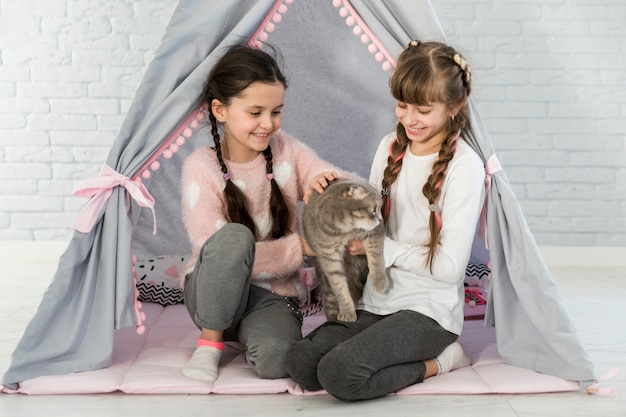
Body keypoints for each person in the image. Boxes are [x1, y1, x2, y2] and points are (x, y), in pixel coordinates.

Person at [285, 40, 486, 401]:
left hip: (428, 311)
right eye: (402, 105)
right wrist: (334, 202)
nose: (409, 119)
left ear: (454, 106)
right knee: (301, 363)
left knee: (340, 374)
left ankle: (442, 360)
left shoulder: (464, 167)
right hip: (379, 301)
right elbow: (371, 224)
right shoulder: (389, 148)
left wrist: (385, 248)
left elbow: (450, 269)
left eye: (423, 110)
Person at [180, 44, 341, 382]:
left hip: (269, 295)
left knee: (277, 362)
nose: (268, 124)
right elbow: (216, 252)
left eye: (276, 111)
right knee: (234, 238)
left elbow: (333, 176)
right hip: (211, 291)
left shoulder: (285, 151)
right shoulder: (201, 167)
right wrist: (300, 249)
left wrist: (323, 183)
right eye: (255, 112)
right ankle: (211, 343)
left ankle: (244, 331)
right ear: (220, 111)